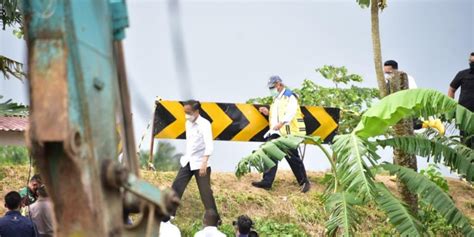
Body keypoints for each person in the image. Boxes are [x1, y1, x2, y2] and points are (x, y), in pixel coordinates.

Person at [251, 76, 311, 193]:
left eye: (272, 87)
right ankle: (267, 181)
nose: (271, 89)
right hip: (276, 132)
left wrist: (282, 123)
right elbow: (276, 115)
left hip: (287, 132)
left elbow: (291, 112)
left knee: (292, 157)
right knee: (269, 153)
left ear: (279, 84)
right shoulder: (276, 99)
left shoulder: (290, 96)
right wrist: (267, 112)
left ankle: (304, 182)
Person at [171, 100, 220, 220]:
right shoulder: (188, 123)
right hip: (188, 160)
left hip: (201, 162)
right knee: (177, 186)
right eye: (185, 112)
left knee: (205, 193)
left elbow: (209, 145)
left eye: (188, 112)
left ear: (196, 111)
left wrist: (204, 162)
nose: (186, 115)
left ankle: (215, 219)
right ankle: (169, 215)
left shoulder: (205, 124)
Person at [384, 60, 445, 135]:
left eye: (389, 72)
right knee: (408, 125)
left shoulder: (406, 77)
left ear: (394, 69)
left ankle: (433, 123)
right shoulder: (389, 81)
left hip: (408, 105)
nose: (387, 74)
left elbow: (414, 91)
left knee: (410, 124)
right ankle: (432, 123)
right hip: (399, 108)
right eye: (386, 73)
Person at [448, 52, 474, 148]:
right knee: (466, 142)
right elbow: (451, 89)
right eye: (470, 61)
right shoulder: (462, 74)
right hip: (464, 115)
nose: (471, 63)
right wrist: (452, 106)